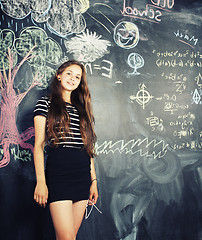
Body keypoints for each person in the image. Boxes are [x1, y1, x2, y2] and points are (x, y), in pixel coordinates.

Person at [33, 60, 98, 240]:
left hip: (82, 176)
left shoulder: (82, 110)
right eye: (69, 73)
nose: (73, 78)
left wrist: (93, 180)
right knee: (66, 237)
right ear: (59, 75)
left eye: (77, 77)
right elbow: (38, 145)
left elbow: (87, 149)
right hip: (59, 174)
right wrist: (41, 182)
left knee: (70, 237)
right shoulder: (45, 104)